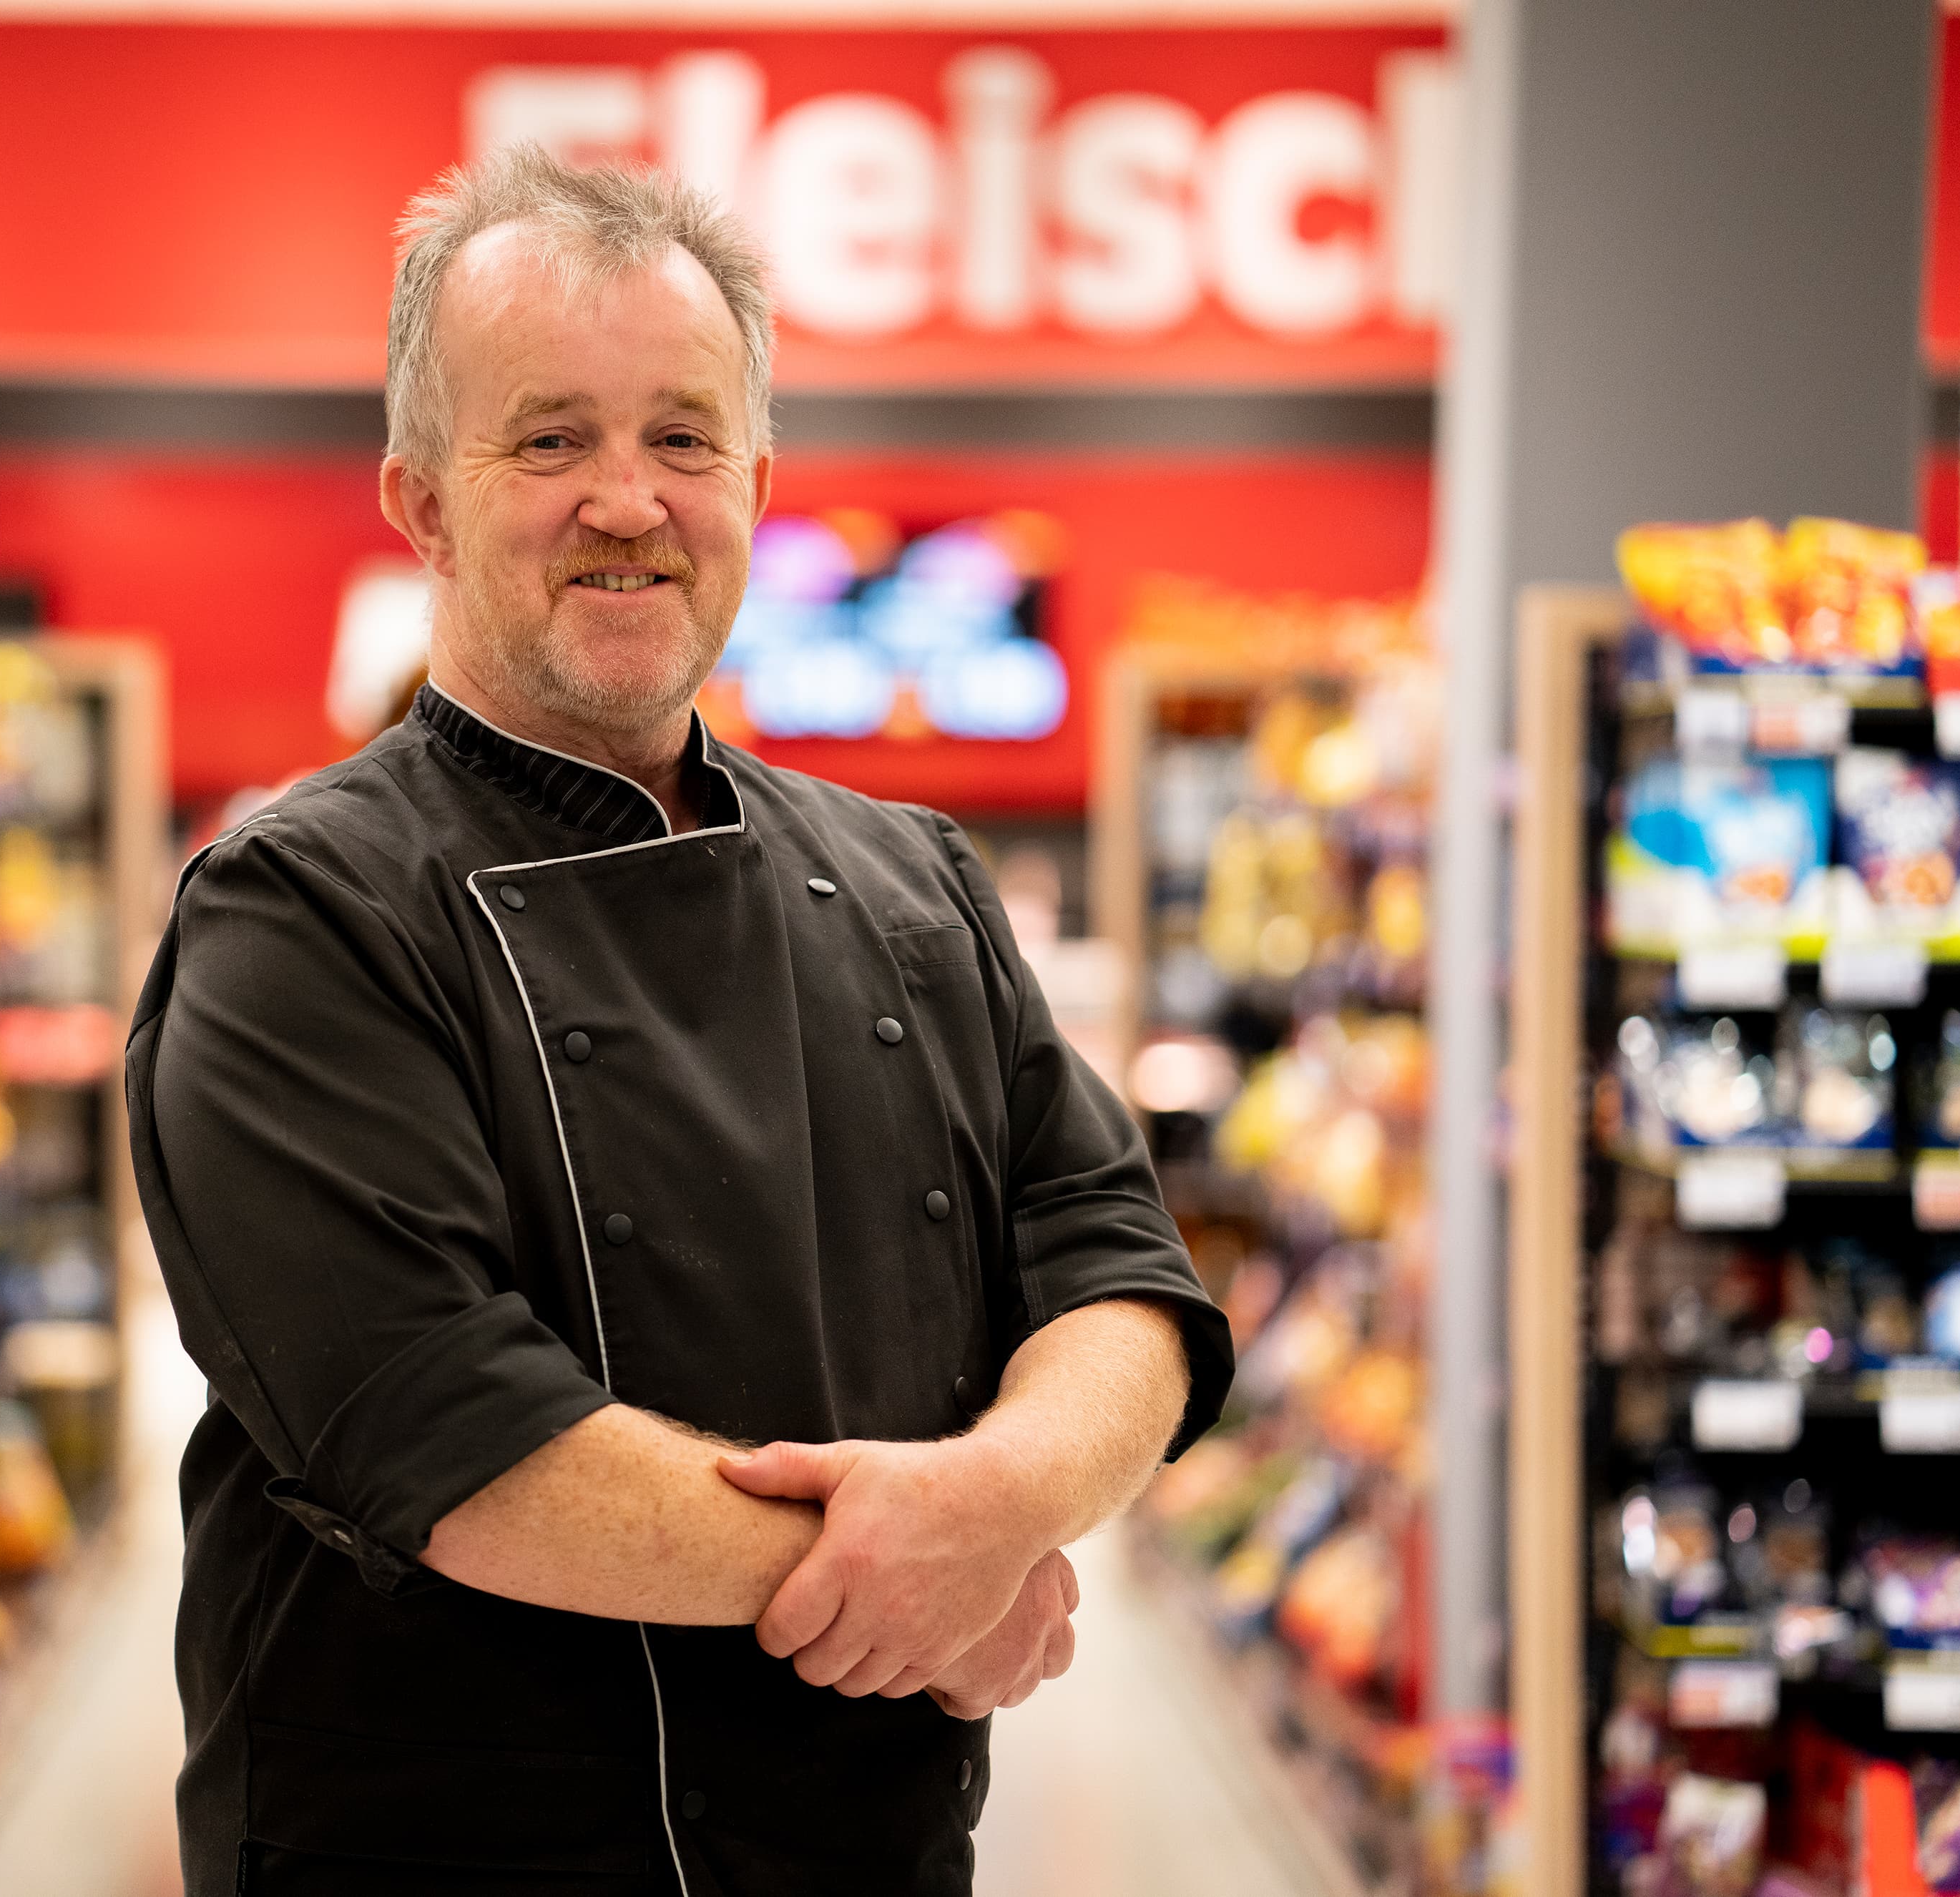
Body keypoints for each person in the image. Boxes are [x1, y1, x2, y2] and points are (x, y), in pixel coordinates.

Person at [126, 147, 1233, 1897]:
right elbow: (439, 1430)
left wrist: (1003, 1499)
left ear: (758, 481)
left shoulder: (905, 879)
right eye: (548, 437)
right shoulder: (300, 911)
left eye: (682, 437)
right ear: (418, 501)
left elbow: (1113, 1262)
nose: (626, 499)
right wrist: (919, 1576)